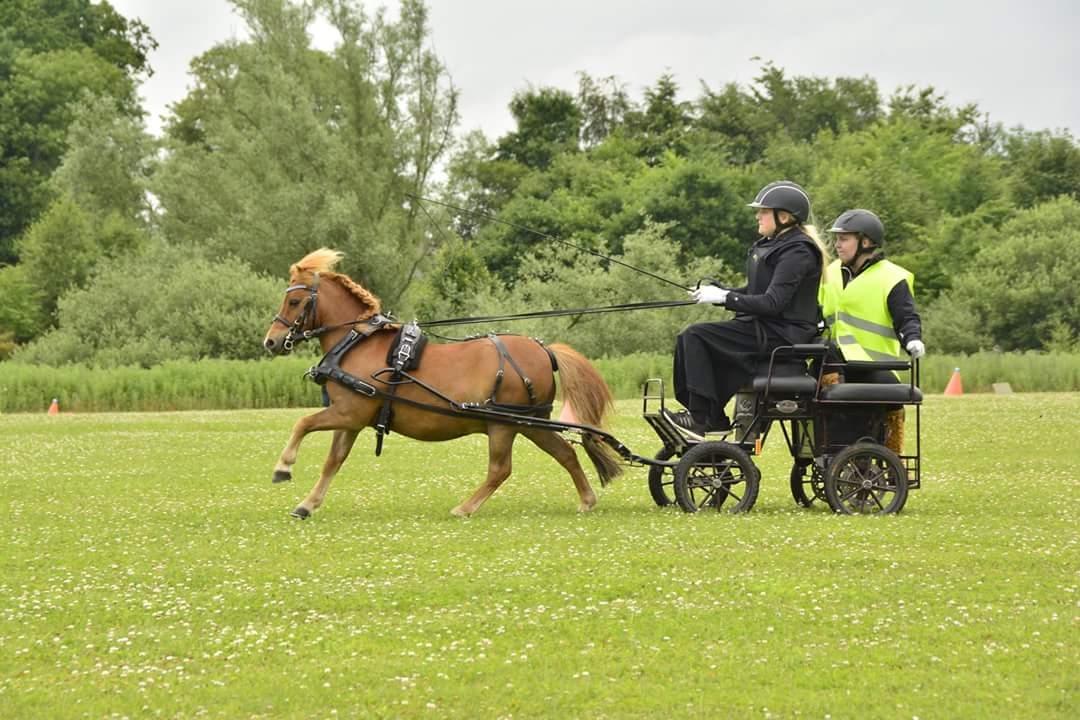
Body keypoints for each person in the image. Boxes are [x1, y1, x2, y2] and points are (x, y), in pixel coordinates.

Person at [664, 180, 829, 440]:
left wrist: (726, 297)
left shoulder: (798, 251)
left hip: (784, 333)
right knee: (690, 337)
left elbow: (773, 303)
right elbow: (756, 292)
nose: (757, 216)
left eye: (763, 211)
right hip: (767, 327)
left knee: (695, 336)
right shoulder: (773, 245)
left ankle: (700, 417)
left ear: (783, 216)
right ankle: (712, 415)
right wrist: (718, 295)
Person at [821, 208, 924, 453]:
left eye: (844, 239)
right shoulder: (829, 273)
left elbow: (907, 317)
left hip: (875, 366)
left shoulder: (891, 277)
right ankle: (834, 448)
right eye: (837, 239)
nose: (837, 245)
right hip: (837, 364)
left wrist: (912, 339)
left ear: (865, 242)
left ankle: (872, 449)